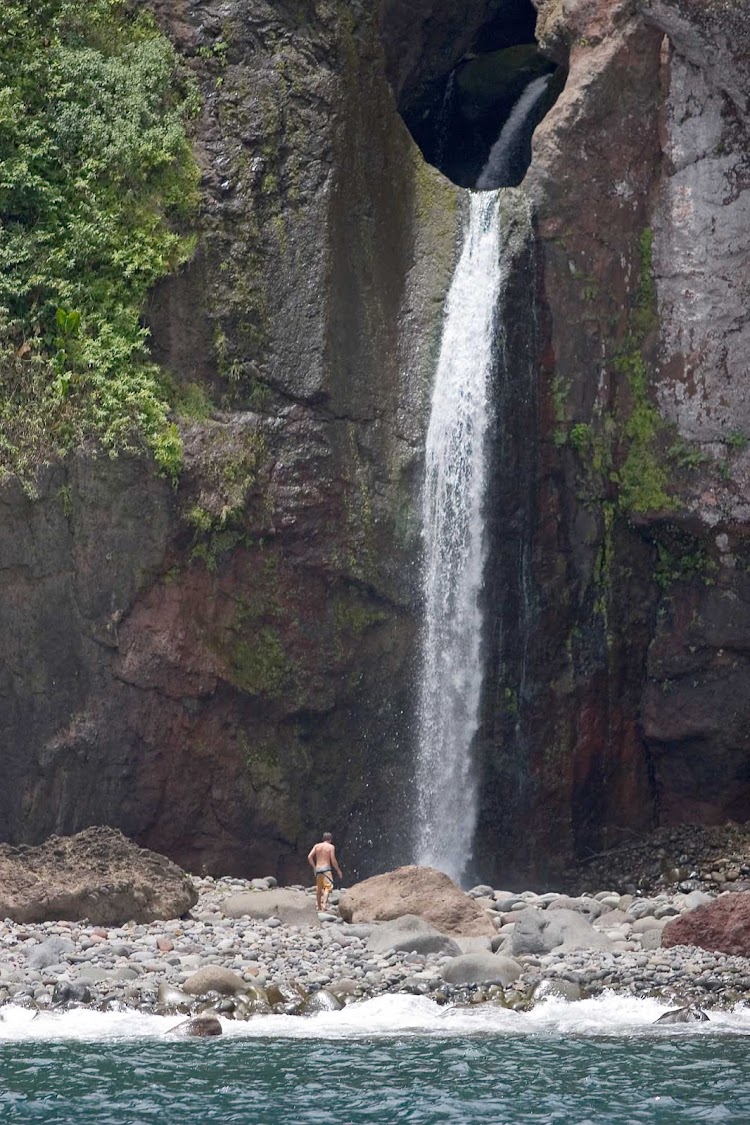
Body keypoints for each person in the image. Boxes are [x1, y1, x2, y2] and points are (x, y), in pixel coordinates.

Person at [307, 832, 342, 911]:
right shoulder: (331, 847)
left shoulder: (317, 846)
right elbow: (333, 860)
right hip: (326, 869)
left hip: (318, 869)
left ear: (323, 839)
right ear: (330, 839)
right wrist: (338, 870)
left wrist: (314, 867)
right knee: (327, 888)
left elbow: (309, 857)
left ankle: (319, 906)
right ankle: (324, 905)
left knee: (319, 889)